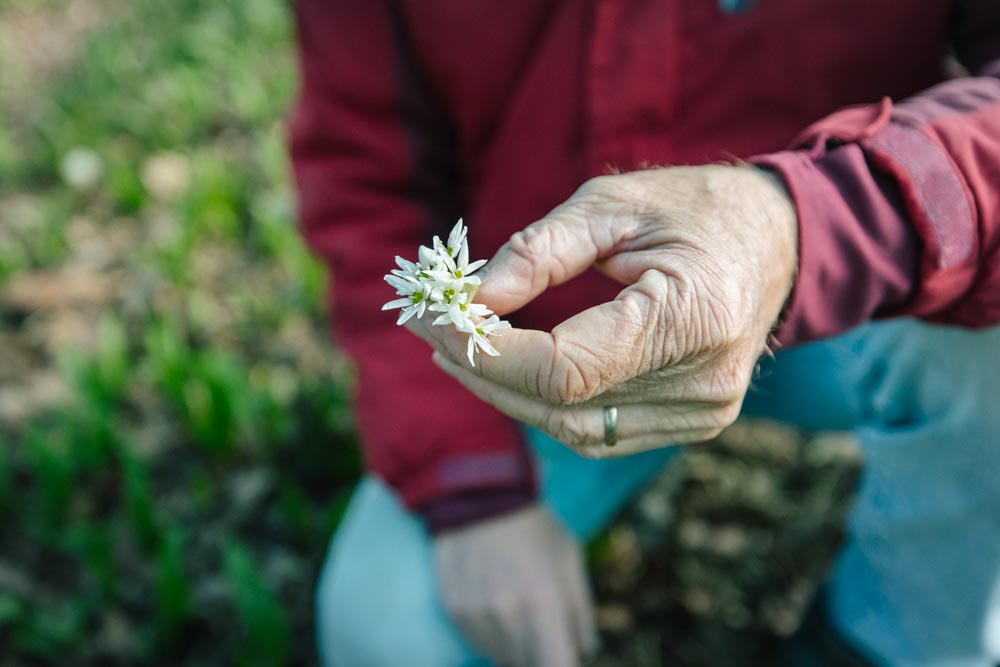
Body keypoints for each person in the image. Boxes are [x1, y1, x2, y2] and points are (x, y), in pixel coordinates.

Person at [289, 1, 1000, 665]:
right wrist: (472, 489)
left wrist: (805, 219)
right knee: (388, 624)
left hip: (845, 286)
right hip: (543, 343)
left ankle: (891, 637)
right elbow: (367, 180)